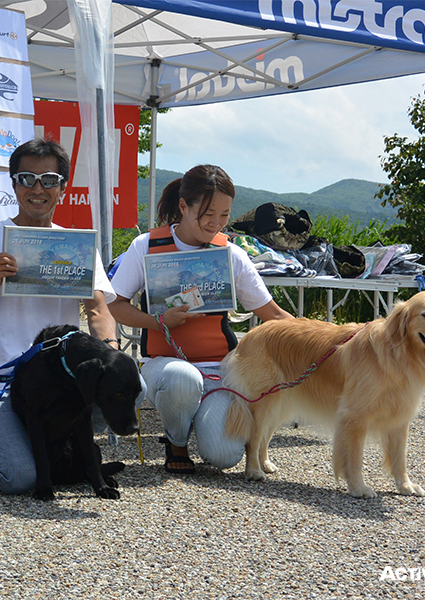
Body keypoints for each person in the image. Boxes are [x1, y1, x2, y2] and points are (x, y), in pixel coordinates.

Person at [0, 138, 129, 493]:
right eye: (26, 178)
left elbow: (99, 309)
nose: (37, 188)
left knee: (124, 385)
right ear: (13, 183)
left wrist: (111, 350)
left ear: (63, 186)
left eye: (48, 180)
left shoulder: (76, 248)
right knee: (22, 478)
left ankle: (2, 437)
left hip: (54, 386)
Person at [108, 164, 293, 474]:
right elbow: (114, 304)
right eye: (208, 213)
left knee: (224, 456)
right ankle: (176, 439)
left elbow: (272, 314)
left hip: (218, 369)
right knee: (183, 379)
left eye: (224, 214)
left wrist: (328, 338)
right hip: (164, 367)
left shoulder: (231, 254)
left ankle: (203, 420)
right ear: (184, 206)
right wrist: (159, 322)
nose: (216, 223)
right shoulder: (146, 246)